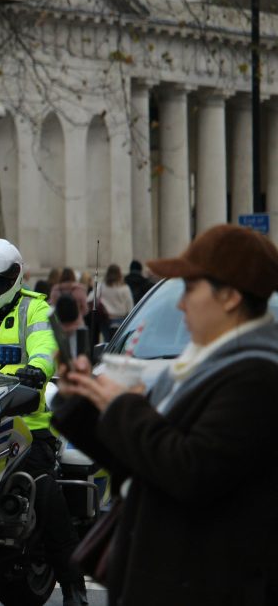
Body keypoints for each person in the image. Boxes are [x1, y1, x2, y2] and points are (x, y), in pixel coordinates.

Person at [56, 224, 278, 605]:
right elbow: (146, 465)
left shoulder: (257, 377)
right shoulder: (204, 366)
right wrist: (82, 402)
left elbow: (190, 469)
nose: (180, 302)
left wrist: (123, 406)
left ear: (229, 298)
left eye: (191, 288)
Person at [0, 239, 86, 605]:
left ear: (9, 280)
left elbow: (48, 346)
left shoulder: (36, 310)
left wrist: (37, 369)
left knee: (41, 486)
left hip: (26, 421)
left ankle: (73, 584)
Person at [95, 263, 133, 341]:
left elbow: (92, 299)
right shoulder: (125, 288)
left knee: (107, 342)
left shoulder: (101, 286)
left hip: (106, 319)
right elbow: (130, 305)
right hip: (121, 320)